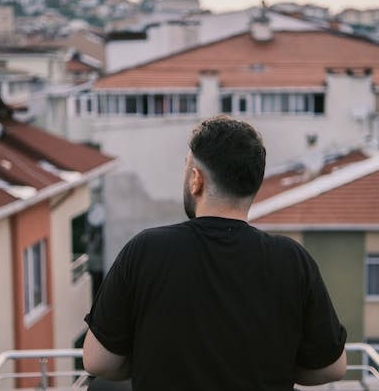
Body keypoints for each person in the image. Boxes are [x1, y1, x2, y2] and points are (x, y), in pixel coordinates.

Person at [83, 115, 347, 390]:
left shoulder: (145, 250)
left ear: (196, 180)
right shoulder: (292, 260)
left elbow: (97, 362)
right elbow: (332, 367)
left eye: (186, 167)